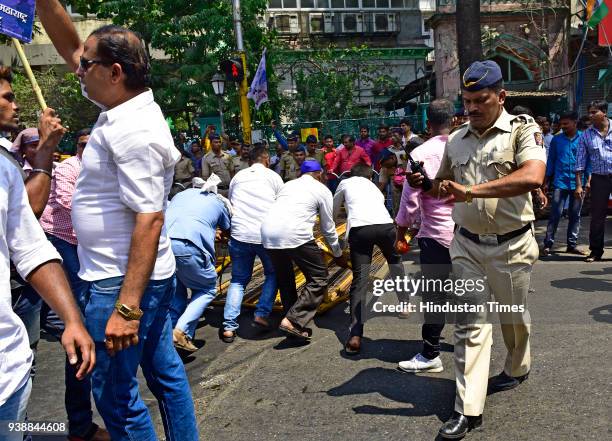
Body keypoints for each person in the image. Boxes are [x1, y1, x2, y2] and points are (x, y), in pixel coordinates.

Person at [37, 2, 199, 439]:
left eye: (87, 64)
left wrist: (126, 310)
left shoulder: (136, 131)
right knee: (164, 374)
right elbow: (71, 46)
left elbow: (150, 219)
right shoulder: (119, 104)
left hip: (118, 283)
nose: (77, 69)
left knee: (115, 395)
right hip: (130, 276)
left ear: (114, 72)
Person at [409, 60, 546, 439]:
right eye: (467, 100)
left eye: (480, 100)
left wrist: (471, 191)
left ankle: (518, 366)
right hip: (467, 245)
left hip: (512, 245)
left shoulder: (522, 130)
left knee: (512, 316)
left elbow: (533, 175)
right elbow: (444, 187)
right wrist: (426, 184)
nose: (471, 108)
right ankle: (468, 409)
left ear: (500, 97)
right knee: (471, 324)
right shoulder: (456, 139)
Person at [0, 154, 95, 441]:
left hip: (8, 375)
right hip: (66, 240)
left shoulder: (4, 168)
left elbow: (30, 249)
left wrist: (72, 320)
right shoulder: (65, 170)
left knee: (14, 431)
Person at [37, 127, 109, 441]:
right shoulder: (68, 169)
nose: (88, 150)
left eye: (94, 145)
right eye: (82, 145)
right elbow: (71, 206)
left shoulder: (106, 169)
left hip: (88, 244)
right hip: (62, 238)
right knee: (81, 320)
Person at [396, 99, 456, 374]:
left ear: (428, 124)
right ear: (453, 120)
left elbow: (410, 200)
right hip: (468, 232)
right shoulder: (465, 147)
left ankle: (431, 353)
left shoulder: (420, 152)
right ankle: (475, 343)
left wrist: (401, 232)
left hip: (436, 234)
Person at [262, 160, 346, 340]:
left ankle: (291, 318)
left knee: (285, 279)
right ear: (319, 174)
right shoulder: (322, 189)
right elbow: (328, 227)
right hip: (295, 235)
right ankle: (293, 321)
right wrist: (337, 253)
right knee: (319, 278)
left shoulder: (288, 185)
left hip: (268, 234)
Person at [333, 163, 403, 354]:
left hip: (360, 230)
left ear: (350, 174)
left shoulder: (345, 183)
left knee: (360, 280)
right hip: (386, 227)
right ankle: (404, 304)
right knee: (395, 263)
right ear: (369, 177)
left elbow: (333, 208)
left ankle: (355, 335)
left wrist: (333, 227)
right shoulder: (374, 188)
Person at [223, 145, 284, 341]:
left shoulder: (238, 177)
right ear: (266, 160)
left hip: (239, 234)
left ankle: (229, 327)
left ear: (251, 160)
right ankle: (261, 313)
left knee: (238, 280)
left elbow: (232, 202)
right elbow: (281, 205)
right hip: (264, 235)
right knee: (273, 274)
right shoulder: (273, 177)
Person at [166, 176, 231, 352]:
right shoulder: (217, 201)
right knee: (207, 289)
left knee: (178, 294)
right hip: (189, 246)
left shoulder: (181, 196)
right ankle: (180, 331)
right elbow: (227, 227)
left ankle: (168, 339)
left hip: (163, 247)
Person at [542, 111, 588, 256]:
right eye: (561, 124)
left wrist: (589, 181)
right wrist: (546, 181)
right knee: (555, 213)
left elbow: (589, 162)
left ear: (575, 122)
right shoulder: (556, 140)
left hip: (578, 183)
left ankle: (572, 245)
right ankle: (548, 244)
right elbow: (551, 161)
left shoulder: (584, 138)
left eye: (566, 123)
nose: (563, 126)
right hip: (560, 182)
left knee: (575, 215)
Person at [575, 99, 612, 262]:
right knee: (597, 216)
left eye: (594, 112)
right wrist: (579, 185)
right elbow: (580, 161)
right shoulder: (586, 135)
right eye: (589, 112)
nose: (590, 115)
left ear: (604, 112)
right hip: (599, 180)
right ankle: (596, 251)